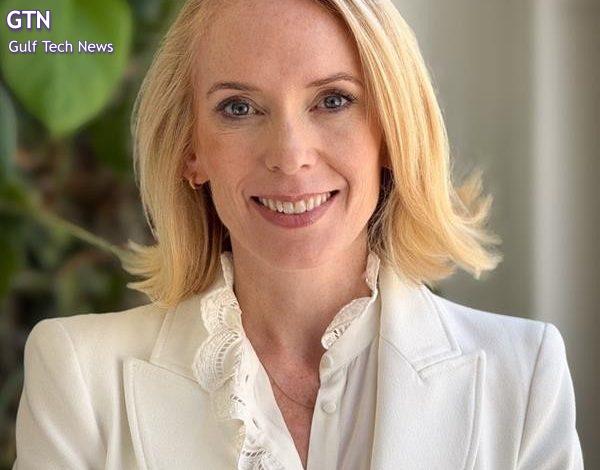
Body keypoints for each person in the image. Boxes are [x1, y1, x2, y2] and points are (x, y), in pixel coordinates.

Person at [12, 0, 584, 469]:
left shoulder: (522, 373)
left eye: (333, 101)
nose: (290, 156)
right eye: (239, 108)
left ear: (392, 132)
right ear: (191, 151)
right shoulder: (79, 374)